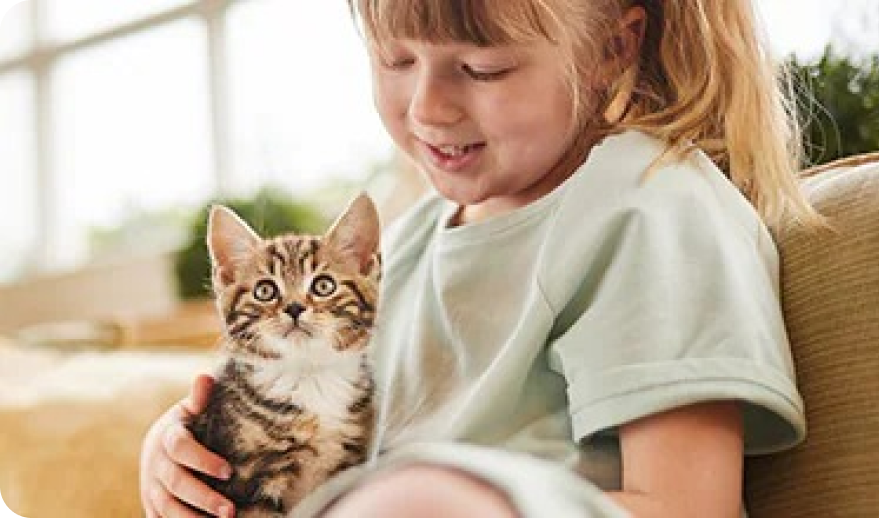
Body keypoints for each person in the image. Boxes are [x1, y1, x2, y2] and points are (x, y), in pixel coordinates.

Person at [140, 0, 824, 516]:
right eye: (395, 60)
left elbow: (687, 507)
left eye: (481, 68)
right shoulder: (402, 246)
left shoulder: (649, 204)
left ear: (612, 49)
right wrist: (188, 457)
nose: (428, 108)